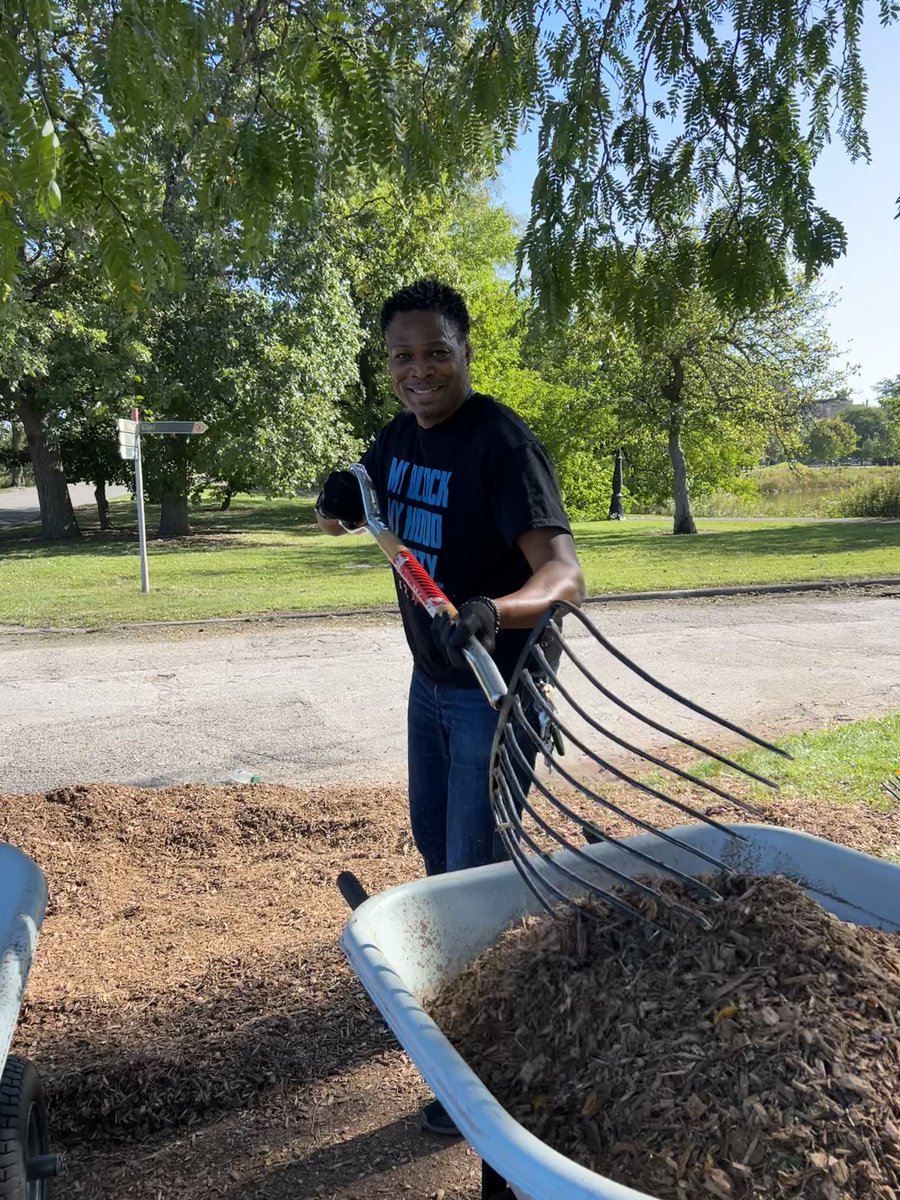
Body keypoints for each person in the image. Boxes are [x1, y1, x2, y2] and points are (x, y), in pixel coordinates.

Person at [315, 278, 585, 1131]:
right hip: (432, 684)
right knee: (441, 852)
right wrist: (336, 504)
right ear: (387, 362)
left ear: (466, 352)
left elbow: (567, 577)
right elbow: (354, 513)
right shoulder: (398, 436)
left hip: (496, 691)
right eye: (403, 355)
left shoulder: (502, 446)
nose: (420, 370)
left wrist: (492, 609)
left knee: (473, 875)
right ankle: (461, 1002)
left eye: (437, 352)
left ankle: (476, 1071)